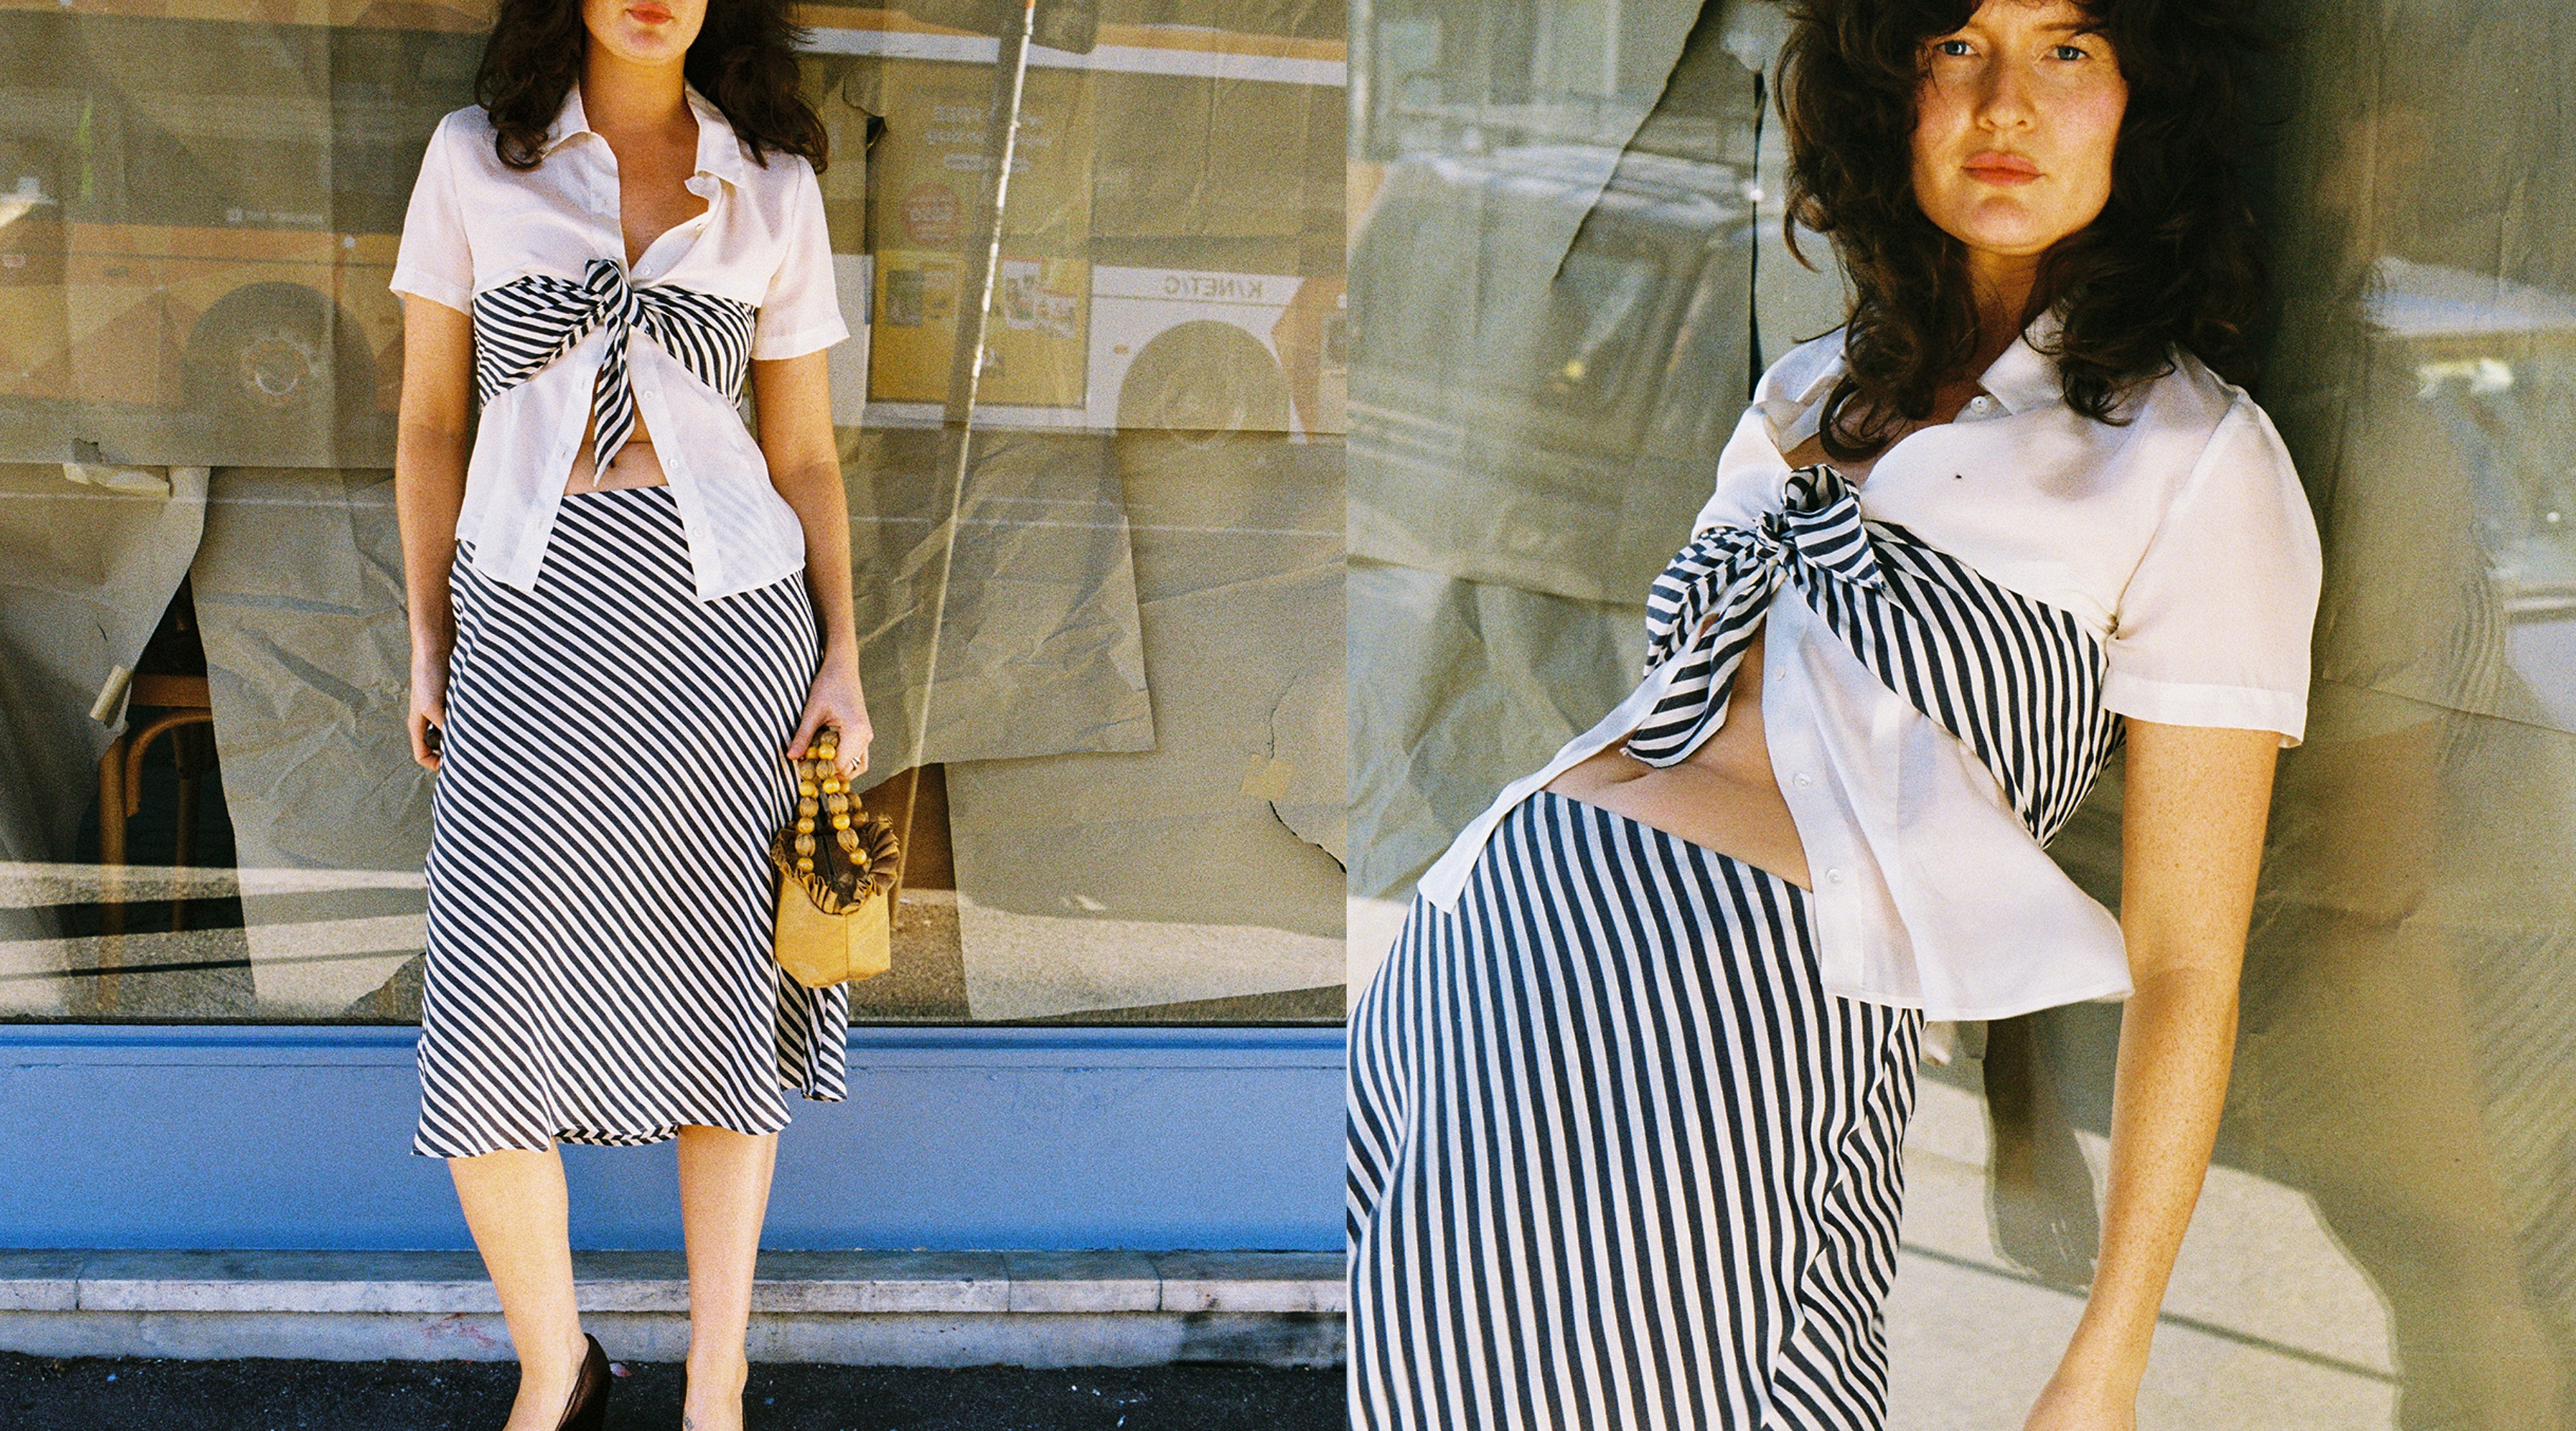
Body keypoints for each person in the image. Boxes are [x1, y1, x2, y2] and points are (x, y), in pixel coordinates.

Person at [1345, 1, 2321, 1428]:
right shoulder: (1811, 384)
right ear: (1890, 96)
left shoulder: (2191, 456)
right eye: (1951, 48)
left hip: (1736, 1052)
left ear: (2144, 103)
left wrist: (2105, 1356)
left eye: (2065, 51)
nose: (2000, 106)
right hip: (1477, 964)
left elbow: (2186, 966)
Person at [388, 0, 867, 1425]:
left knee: (727, 994)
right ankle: (558, 1362)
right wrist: (425, 637)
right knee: (487, 1006)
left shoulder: (771, 182)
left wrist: (845, 656)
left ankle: (714, 1377)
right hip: (529, 617)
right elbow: (427, 422)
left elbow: (804, 450)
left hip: (730, 631)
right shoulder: (479, 158)